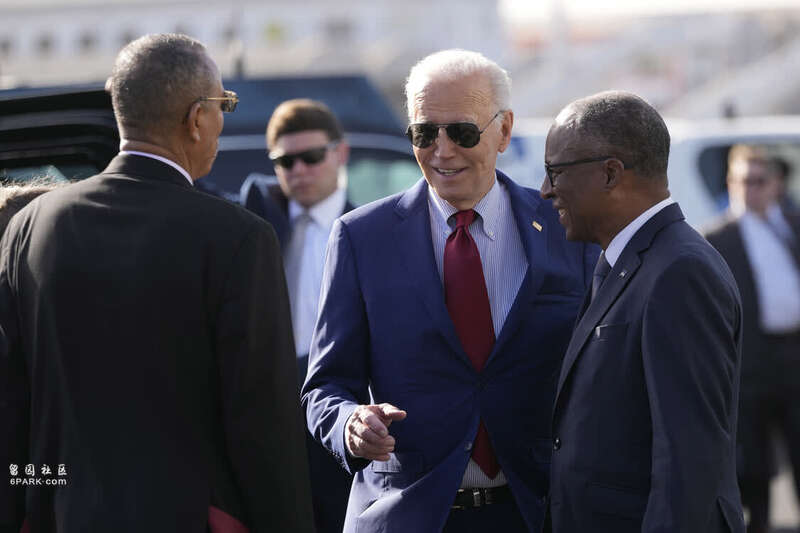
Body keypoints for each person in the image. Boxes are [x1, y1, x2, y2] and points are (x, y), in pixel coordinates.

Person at [0, 34, 313, 533]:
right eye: (225, 104)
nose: (223, 119)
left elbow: (14, 409)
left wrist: (28, 507)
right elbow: (263, 425)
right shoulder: (238, 237)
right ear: (196, 118)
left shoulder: (30, 226)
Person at [301, 49, 597, 533]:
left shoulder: (565, 229)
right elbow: (324, 388)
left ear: (504, 130)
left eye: (461, 132)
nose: (442, 151)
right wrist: (350, 423)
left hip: (537, 510)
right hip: (409, 514)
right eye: (424, 133)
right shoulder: (362, 238)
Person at [542, 91, 745, 533]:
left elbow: (688, 456)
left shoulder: (679, 272)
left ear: (610, 173)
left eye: (555, 172)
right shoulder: (628, 261)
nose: (546, 190)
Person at [240, 98, 354, 533]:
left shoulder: (370, 228)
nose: (299, 170)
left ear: (340, 153)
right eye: (286, 161)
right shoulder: (256, 219)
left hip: (342, 410)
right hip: (269, 412)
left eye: (312, 156)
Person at [704, 144, 800, 533]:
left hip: (794, 357)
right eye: (740, 181)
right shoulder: (716, 237)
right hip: (750, 367)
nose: (749, 189)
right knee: (755, 468)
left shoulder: (791, 225)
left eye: (758, 181)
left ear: (775, 184)